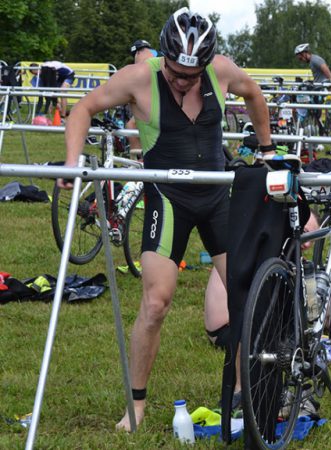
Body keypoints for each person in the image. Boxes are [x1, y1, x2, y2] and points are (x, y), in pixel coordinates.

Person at [60, 7, 275, 431]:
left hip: (217, 197)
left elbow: (254, 95)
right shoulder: (138, 78)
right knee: (156, 303)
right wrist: (72, 161)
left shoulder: (222, 70)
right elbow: (82, 108)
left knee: (246, 297)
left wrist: (267, 150)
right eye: (176, 72)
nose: (183, 80)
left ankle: (239, 389)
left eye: (191, 75)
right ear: (164, 56)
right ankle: (136, 404)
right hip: (168, 198)